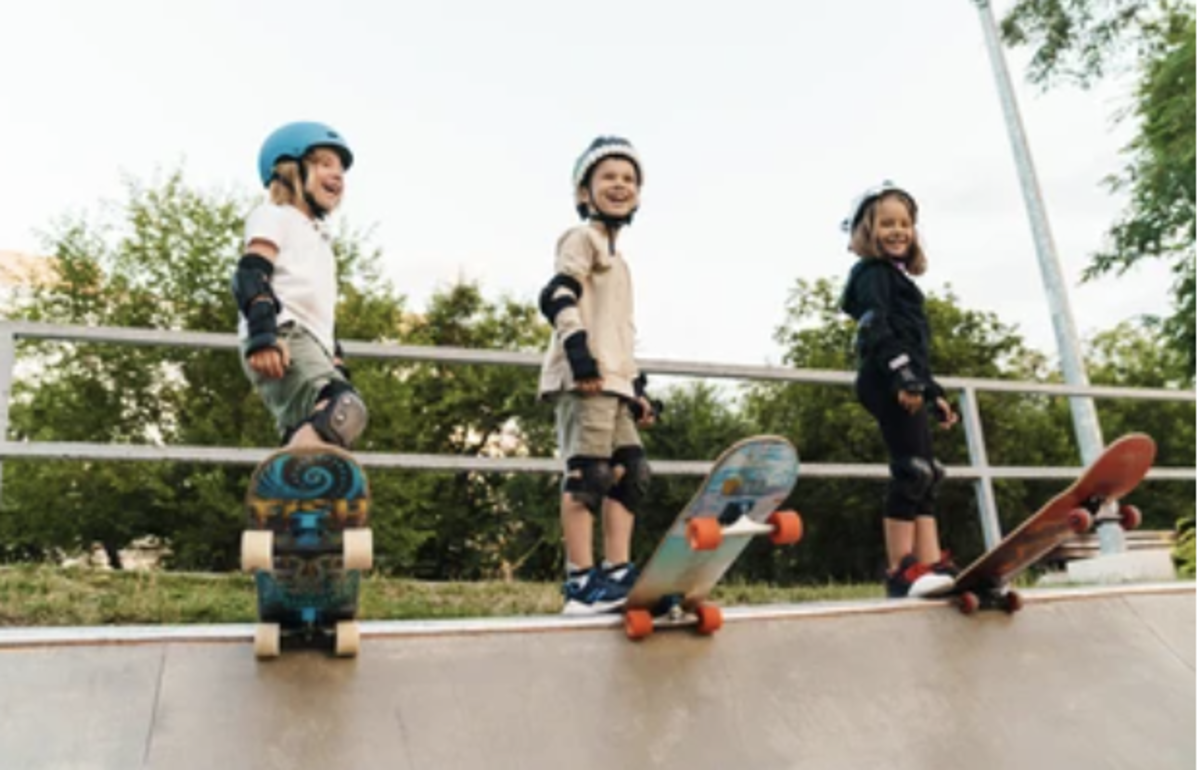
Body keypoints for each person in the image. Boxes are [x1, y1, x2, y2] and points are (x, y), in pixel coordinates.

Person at [537, 136, 660, 615]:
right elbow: (556, 295)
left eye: (629, 178)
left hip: (613, 381)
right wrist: (579, 354)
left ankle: (617, 572)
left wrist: (636, 388)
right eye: (608, 176)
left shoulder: (622, 261)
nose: (619, 185)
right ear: (584, 191)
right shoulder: (581, 238)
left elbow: (618, 332)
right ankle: (580, 582)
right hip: (584, 377)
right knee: (588, 477)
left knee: (631, 476)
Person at [839, 181, 960, 598]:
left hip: (905, 377)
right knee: (911, 470)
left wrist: (934, 391)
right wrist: (903, 377)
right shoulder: (872, 275)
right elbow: (877, 329)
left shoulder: (899, 279)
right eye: (887, 223)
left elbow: (914, 345)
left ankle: (928, 566)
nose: (897, 231)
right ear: (867, 232)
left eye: (905, 224)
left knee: (928, 474)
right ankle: (900, 570)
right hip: (884, 377)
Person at [232, 121, 368, 451]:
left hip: (311, 343)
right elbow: (251, 273)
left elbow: (317, 309)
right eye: (324, 164)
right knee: (343, 409)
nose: (336, 175)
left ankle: (301, 494)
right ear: (290, 169)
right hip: (284, 334)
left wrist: (334, 360)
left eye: (340, 169)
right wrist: (264, 335)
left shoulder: (319, 239)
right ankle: (286, 486)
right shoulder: (274, 215)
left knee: (329, 433)